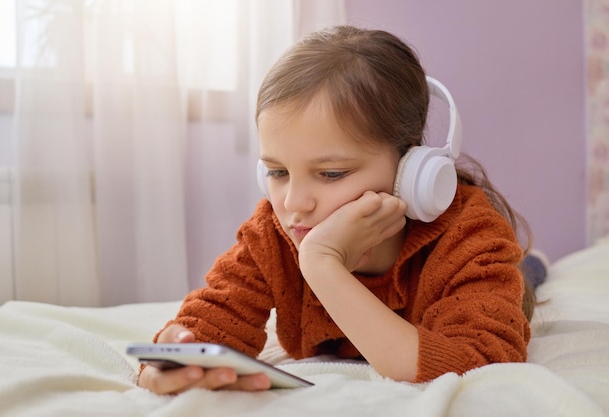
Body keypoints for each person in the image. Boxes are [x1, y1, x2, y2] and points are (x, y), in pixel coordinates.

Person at [138, 25, 534, 394]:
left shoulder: (470, 236)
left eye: (330, 173)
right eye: (277, 171)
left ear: (411, 172)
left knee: (530, 276)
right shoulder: (274, 233)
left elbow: (479, 367)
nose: (294, 202)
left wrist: (322, 264)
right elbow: (214, 319)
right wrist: (178, 355)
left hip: (489, 275)